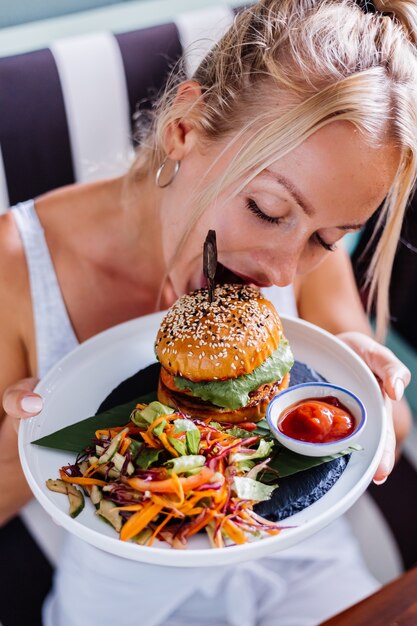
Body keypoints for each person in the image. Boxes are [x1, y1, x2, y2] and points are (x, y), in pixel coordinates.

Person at [1, 0, 416, 624]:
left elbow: (391, 428)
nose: (281, 273)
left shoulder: (301, 245)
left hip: (302, 560)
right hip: (122, 587)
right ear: (185, 129)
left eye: (327, 240)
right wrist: (24, 440)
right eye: (268, 210)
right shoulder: (14, 271)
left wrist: (371, 391)